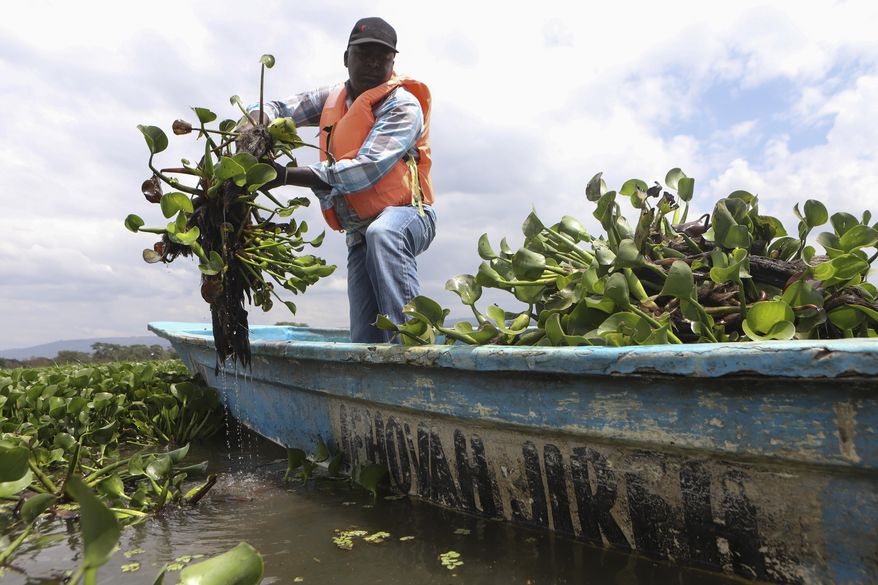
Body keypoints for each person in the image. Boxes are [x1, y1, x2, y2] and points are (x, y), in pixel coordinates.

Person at [246, 17, 436, 343]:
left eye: (383, 57)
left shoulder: (403, 105)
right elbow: (278, 107)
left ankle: (415, 348)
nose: (374, 63)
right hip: (359, 233)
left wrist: (285, 176)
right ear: (346, 58)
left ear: (393, 62)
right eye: (364, 54)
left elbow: (364, 171)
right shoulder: (332, 97)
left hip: (408, 217)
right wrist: (253, 122)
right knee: (365, 339)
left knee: (384, 233)